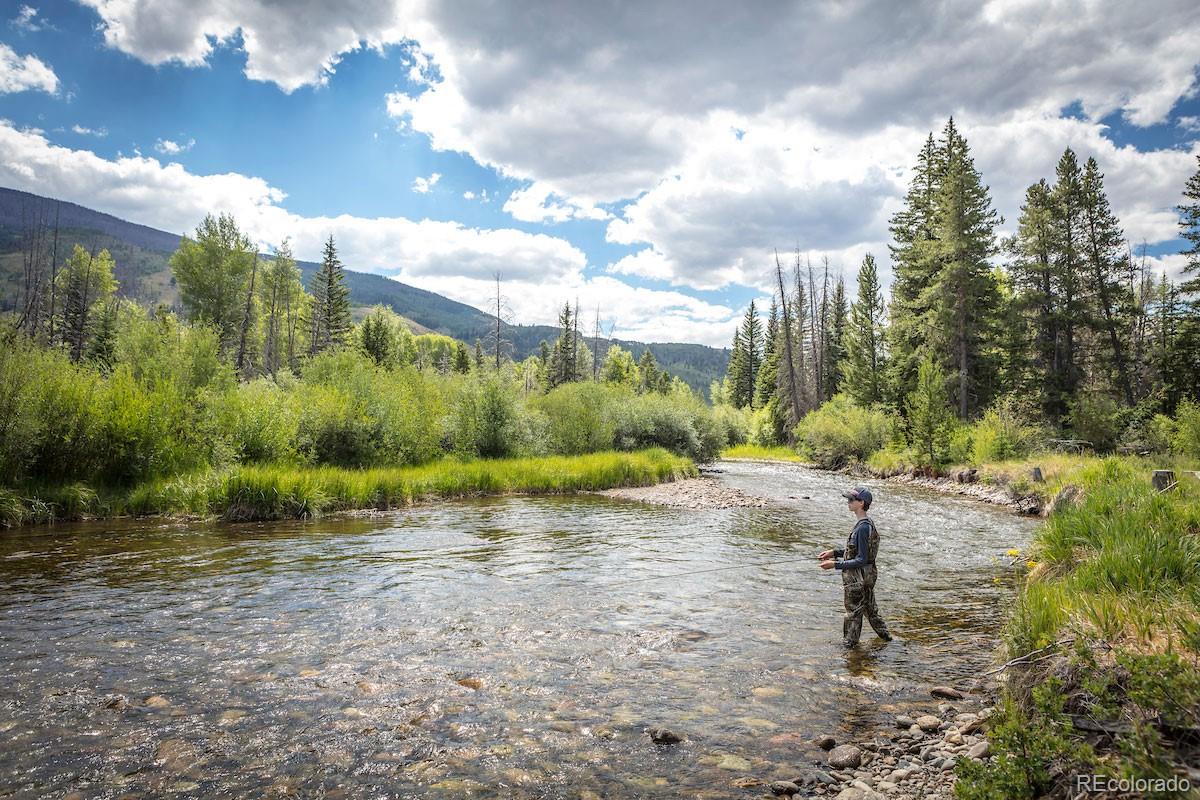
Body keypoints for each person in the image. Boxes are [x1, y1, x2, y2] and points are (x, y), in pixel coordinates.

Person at [818, 486, 892, 647]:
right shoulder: (866, 524)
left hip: (858, 579)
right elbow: (859, 552)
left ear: (861, 503)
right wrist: (834, 552)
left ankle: (849, 648)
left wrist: (835, 565)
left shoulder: (863, 527)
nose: (848, 502)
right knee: (870, 610)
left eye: (851, 500)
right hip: (867, 576)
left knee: (853, 613)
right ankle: (887, 640)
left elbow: (861, 559)